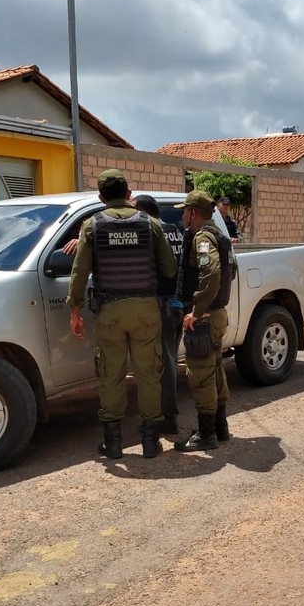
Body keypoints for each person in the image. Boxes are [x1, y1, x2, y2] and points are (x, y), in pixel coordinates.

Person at [66, 169, 178, 459]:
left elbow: (79, 273)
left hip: (110, 311)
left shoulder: (92, 226)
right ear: (129, 194)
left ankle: (113, 444)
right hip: (145, 310)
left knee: (110, 375)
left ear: (101, 197)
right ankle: (150, 443)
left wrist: (75, 311)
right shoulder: (150, 223)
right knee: (149, 374)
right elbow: (169, 268)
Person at [173, 189, 236, 452]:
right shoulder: (219, 235)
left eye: (184, 211)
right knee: (214, 371)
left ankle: (207, 435)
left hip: (204, 318)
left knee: (200, 374)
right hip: (217, 314)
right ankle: (220, 429)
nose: (182, 217)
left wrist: (197, 310)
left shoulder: (203, 238)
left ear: (193, 213)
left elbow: (210, 273)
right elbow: (228, 273)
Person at [131, 194, 186, 436]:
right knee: (169, 361)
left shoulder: (150, 233)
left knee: (159, 365)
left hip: (159, 305)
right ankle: (166, 415)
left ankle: (168, 419)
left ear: (143, 213)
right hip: (177, 304)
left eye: (134, 211)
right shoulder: (174, 229)